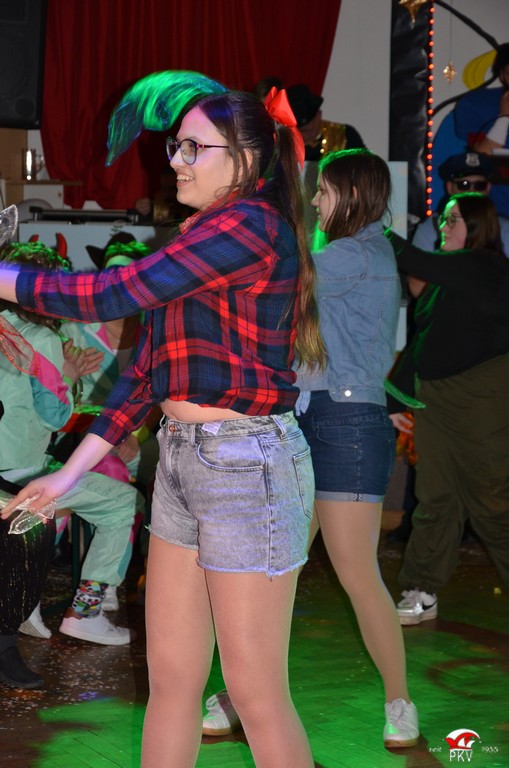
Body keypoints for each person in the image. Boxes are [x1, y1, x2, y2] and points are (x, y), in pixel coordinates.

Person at [0, 79, 325, 768]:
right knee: (172, 684)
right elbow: (144, 375)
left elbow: (110, 292)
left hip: (245, 466)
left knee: (256, 696)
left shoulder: (252, 226)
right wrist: (67, 475)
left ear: (245, 159)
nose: (174, 160)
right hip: (181, 459)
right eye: (174, 145)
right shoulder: (198, 237)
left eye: (192, 147)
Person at [202, 150, 419, 749]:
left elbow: (281, 270)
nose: (316, 200)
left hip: (346, 425)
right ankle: (243, 692)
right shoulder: (353, 252)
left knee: (356, 573)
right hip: (308, 417)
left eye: (323, 190)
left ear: (352, 194)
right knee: (277, 571)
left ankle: (400, 701)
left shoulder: (358, 254)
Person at [0, 241, 143, 646]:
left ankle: (26, 595)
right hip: (18, 473)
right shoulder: (41, 339)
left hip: (11, 471)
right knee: (123, 503)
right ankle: (85, 612)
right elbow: (57, 417)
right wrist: (69, 374)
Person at [388, 193, 509, 625]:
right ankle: (422, 587)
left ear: (477, 226)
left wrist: (372, 225)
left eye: (453, 219)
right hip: (435, 399)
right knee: (436, 497)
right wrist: (396, 399)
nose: (443, 226)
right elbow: (424, 342)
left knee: (492, 503)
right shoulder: (445, 280)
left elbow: (415, 259)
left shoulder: (486, 265)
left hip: (481, 400)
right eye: (443, 218)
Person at [286, 83, 365, 236]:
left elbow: (366, 177)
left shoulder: (345, 136)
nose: (304, 136)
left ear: (319, 115)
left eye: (307, 130)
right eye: (298, 131)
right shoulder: (283, 145)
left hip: (341, 222)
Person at [454, 43, 509, 217]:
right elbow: (478, 158)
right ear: (502, 75)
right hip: (491, 215)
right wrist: (504, 118)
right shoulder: (477, 103)